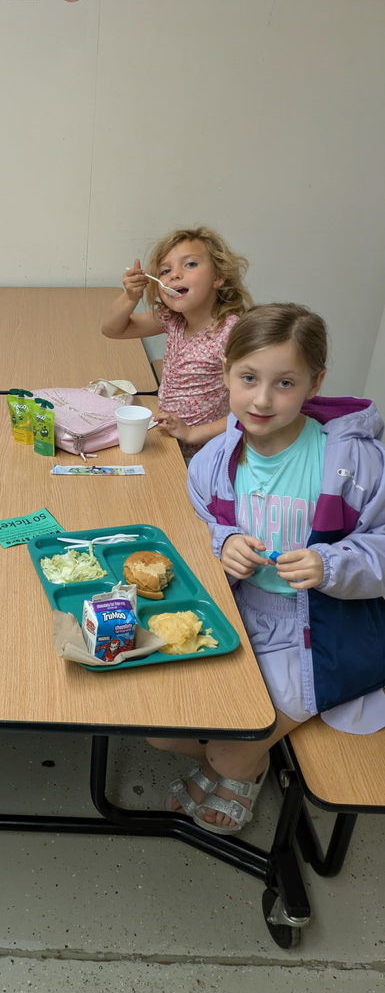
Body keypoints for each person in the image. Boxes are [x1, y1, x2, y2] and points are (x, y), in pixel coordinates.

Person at [149, 303, 385, 833]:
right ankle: (237, 756)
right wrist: (223, 540)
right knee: (159, 729)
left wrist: (332, 563)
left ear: (314, 383)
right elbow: (195, 525)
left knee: (234, 749)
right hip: (236, 612)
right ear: (226, 373)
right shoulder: (215, 458)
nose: (261, 399)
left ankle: (240, 771)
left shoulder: (353, 464)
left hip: (322, 630)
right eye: (248, 378)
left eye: (284, 383)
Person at [101, 226, 252, 460]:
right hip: (171, 444)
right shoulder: (173, 319)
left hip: (208, 454)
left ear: (219, 277)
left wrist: (192, 433)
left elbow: (249, 410)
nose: (174, 274)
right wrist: (131, 297)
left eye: (190, 264)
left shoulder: (231, 333)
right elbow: (112, 329)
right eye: (165, 270)